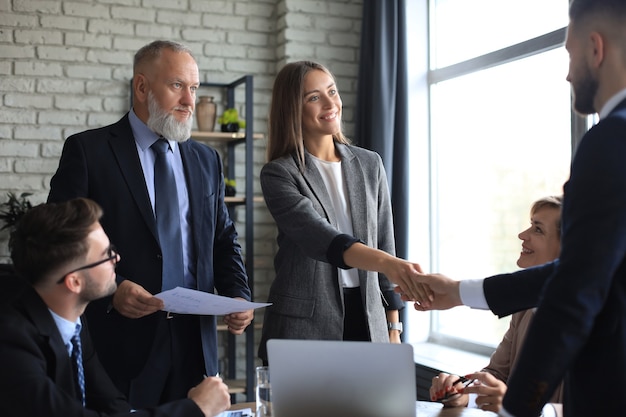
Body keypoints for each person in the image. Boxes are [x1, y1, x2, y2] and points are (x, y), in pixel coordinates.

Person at [408, 2, 626, 415]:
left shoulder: (610, 140)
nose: (566, 72)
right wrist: (458, 292)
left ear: (595, 49)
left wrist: (517, 409)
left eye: (569, 53)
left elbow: (574, 292)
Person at [47, 40, 254, 408]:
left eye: (194, 88)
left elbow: (223, 240)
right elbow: (60, 242)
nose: (190, 101)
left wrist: (238, 293)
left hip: (197, 345)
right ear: (141, 87)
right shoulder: (88, 151)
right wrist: (114, 289)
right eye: (177, 86)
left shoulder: (207, 161)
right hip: (120, 343)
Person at [257, 61, 426, 362]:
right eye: (313, 97)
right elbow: (320, 238)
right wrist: (390, 263)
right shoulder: (279, 174)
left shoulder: (369, 164)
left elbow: (384, 241)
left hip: (368, 317)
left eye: (332, 91)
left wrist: (394, 325)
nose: (330, 103)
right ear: (292, 109)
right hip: (303, 326)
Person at [0, 197, 231, 417]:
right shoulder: (12, 343)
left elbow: (113, 406)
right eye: (106, 254)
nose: (117, 258)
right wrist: (195, 409)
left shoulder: (74, 321)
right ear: (74, 282)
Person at [429, 196, 564, 416]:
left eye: (537, 229)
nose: (522, 235)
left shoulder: (600, 319)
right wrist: (463, 393)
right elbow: (496, 375)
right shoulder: (523, 308)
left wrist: (525, 406)